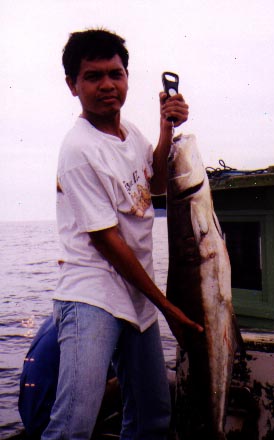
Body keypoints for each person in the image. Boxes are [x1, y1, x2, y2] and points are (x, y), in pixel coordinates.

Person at [41, 29, 203, 440]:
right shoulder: (78, 149)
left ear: (128, 77)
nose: (107, 85)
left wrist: (166, 129)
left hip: (136, 295)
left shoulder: (128, 132)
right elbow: (108, 243)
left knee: (151, 418)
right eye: (93, 77)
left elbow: (158, 184)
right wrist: (168, 308)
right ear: (72, 85)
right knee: (73, 426)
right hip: (92, 294)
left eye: (116, 73)